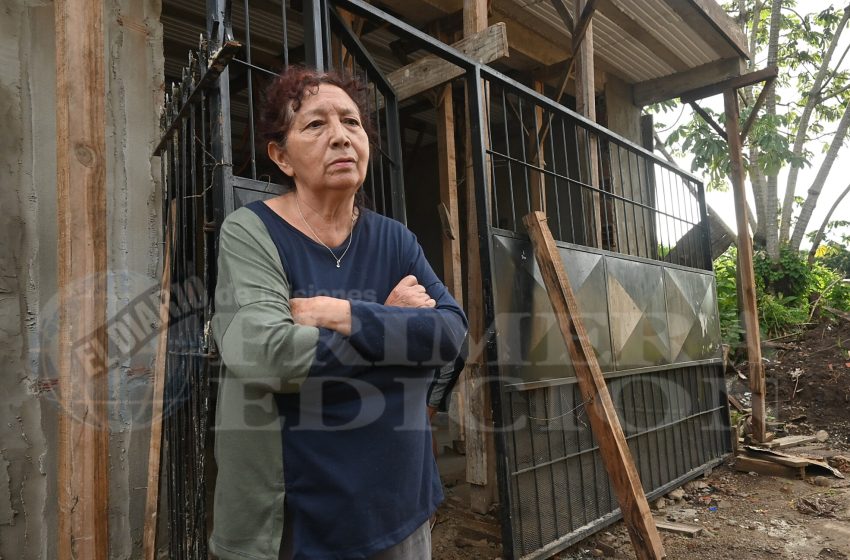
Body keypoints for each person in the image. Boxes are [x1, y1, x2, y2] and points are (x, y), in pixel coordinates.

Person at [209, 66, 468, 560]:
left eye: (351, 122)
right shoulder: (251, 232)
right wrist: (393, 321)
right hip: (299, 519)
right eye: (315, 125)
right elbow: (270, 355)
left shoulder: (395, 239)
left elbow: (450, 336)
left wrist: (345, 314)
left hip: (399, 507)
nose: (341, 138)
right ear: (281, 156)